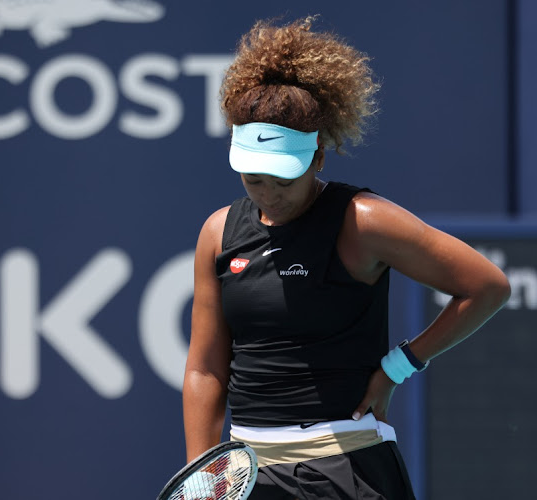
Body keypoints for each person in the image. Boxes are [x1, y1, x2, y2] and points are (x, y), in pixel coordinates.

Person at [183, 16, 511, 500]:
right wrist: (201, 478)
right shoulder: (218, 232)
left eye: (284, 179)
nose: (269, 193)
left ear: (318, 157)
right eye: (254, 179)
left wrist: (400, 366)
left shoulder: (364, 221)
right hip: (247, 475)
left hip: (346, 471)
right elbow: (206, 368)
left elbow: (487, 286)